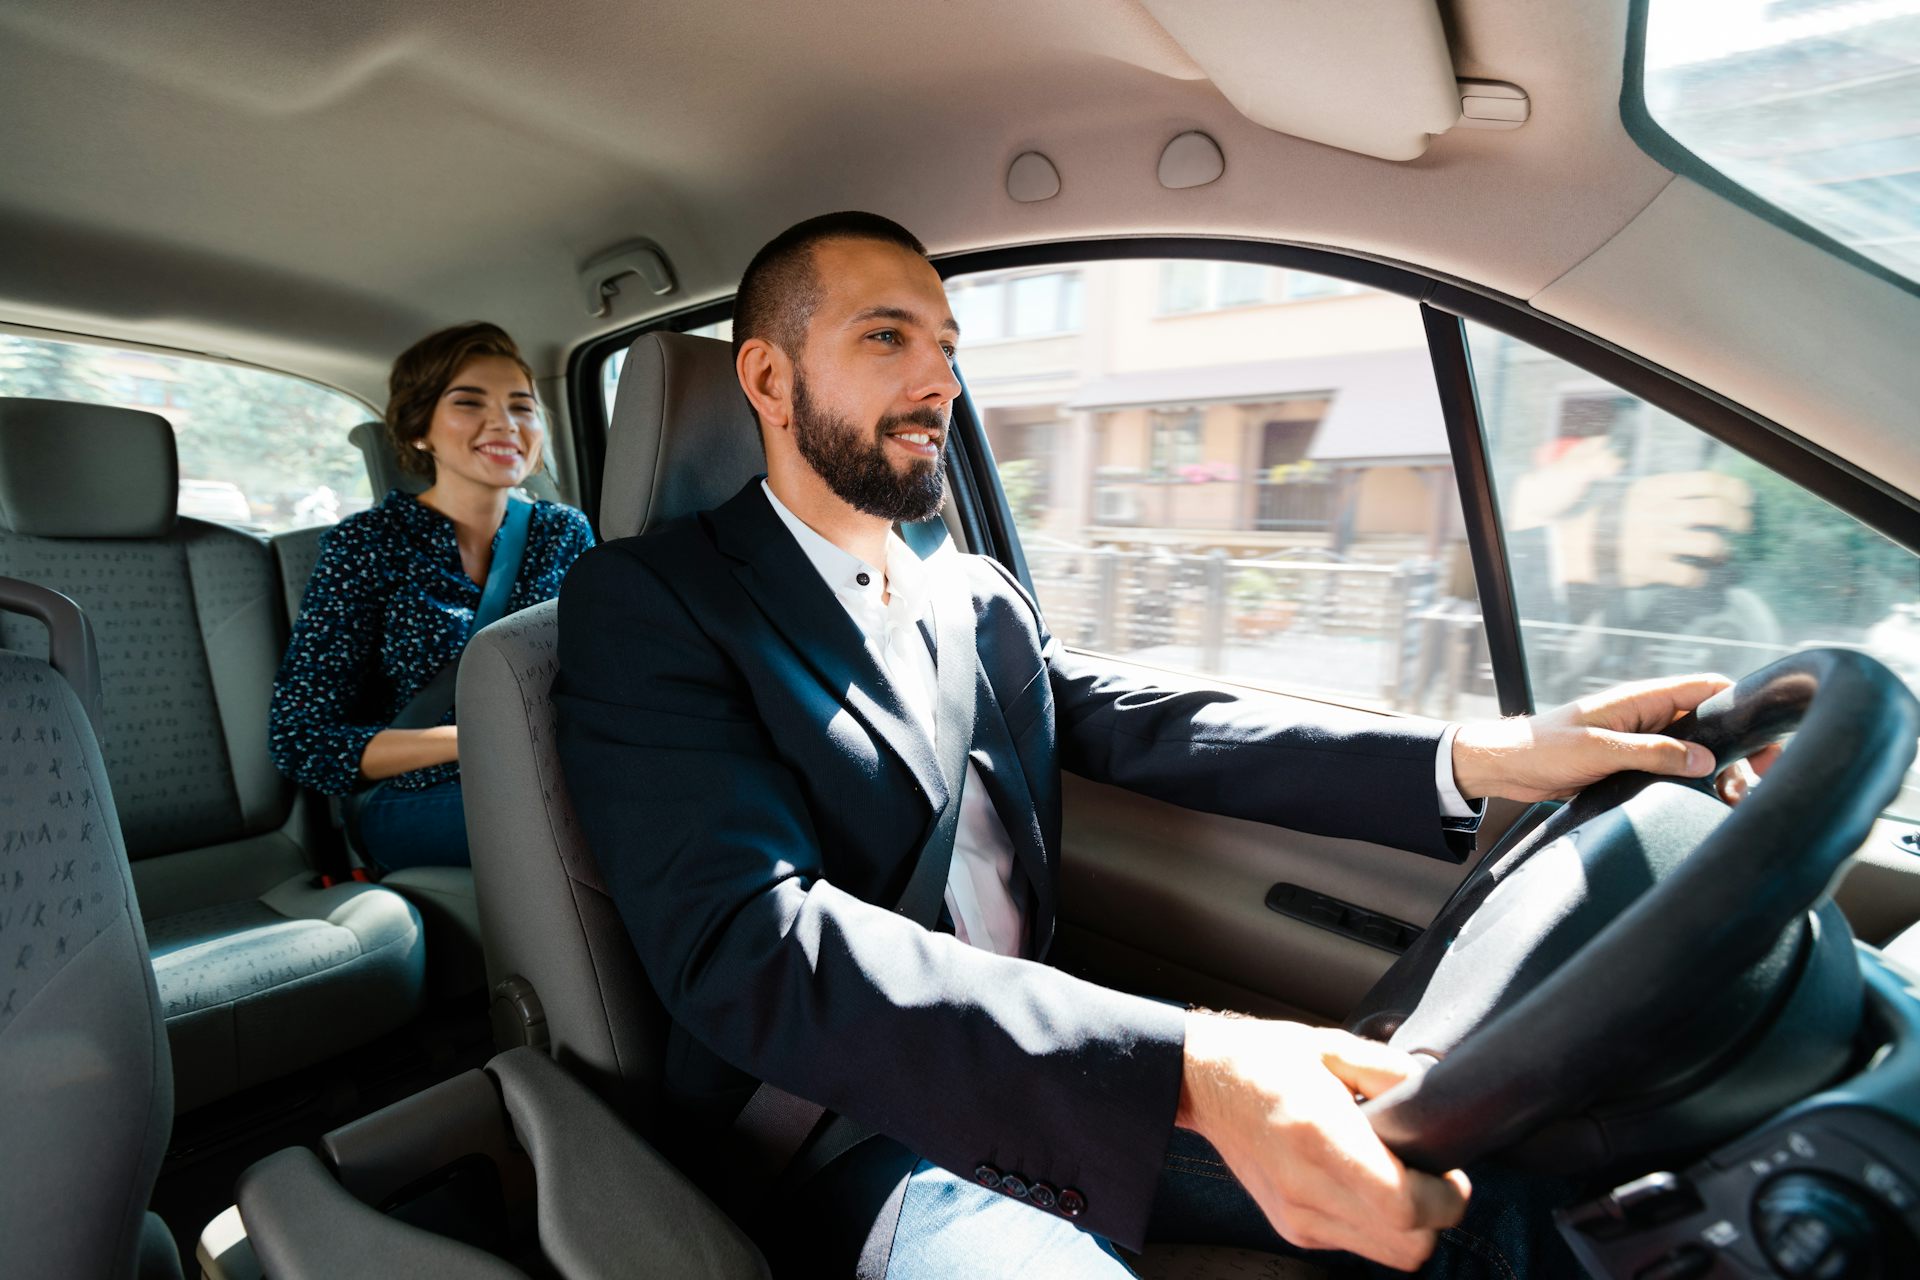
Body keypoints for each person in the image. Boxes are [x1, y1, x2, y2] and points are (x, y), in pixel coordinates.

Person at [552, 214, 1772, 1277]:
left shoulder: (969, 592)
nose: (940, 381)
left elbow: (1155, 722)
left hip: (1065, 1069)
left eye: (948, 346)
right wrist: (1191, 1062)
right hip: (859, 1128)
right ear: (768, 378)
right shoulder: (651, 603)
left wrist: (1482, 754)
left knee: (1486, 1188)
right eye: (887, 337)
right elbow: (754, 948)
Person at [271, 322, 594, 871]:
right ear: (420, 427)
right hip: (415, 795)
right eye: (469, 402)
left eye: (521, 406)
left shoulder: (563, 533)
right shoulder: (366, 544)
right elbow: (303, 739)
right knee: (596, 820)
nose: (505, 422)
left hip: (555, 772)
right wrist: (473, 739)